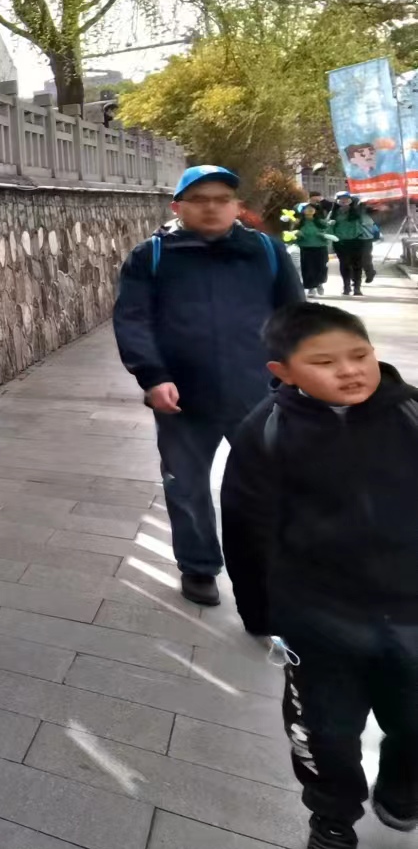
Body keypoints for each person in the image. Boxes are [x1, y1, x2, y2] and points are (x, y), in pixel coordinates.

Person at [222, 303, 418, 849]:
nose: (350, 371)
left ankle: (404, 782)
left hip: (412, 613)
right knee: (325, 732)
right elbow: (245, 526)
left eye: (360, 355)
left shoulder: (410, 415)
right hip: (319, 621)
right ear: (283, 372)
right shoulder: (266, 433)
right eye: (325, 362)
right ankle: (332, 820)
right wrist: (261, 612)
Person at [112, 164, 303, 608]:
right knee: (185, 483)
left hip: (258, 393)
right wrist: (153, 376)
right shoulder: (152, 256)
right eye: (199, 200)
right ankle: (198, 566)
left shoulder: (266, 252)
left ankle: (266, 568)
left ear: (237, 206)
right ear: (177, 207)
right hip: (182, 396)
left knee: (266, 485)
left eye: (222, 199)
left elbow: (295, 315)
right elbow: (133, 320)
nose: (212, 208)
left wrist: (294, 375)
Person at [331, 193, 374, 297]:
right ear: (337, 201)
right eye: (341, 199)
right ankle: (346, 286)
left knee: (357, 264)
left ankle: (357, 287)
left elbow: (367, 222)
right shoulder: (334, 213)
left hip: (356, 241)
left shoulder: (357, 211)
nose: (344, 201)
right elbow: (328, 226)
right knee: (344, 264)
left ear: (351, 201)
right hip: (340, 242)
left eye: (346, 199)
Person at [291, 202, 335, 296]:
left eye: (312, 208)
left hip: (320, 247)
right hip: (305, 248)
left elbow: (329, 232)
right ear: (302, 211)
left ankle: (319, 283)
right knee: (308, 269)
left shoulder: (320, 222)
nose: (310, 210)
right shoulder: (298, 223)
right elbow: (291, 236)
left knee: (321, 267)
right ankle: (311, 288)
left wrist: (324, 235)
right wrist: (298, 235)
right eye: (307, 208)